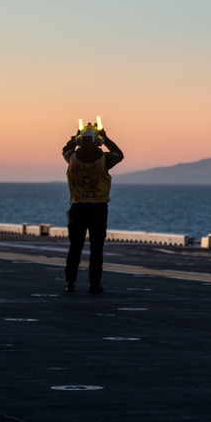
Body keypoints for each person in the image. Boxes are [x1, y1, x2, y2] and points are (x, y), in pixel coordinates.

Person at [62, 120, 124, 294]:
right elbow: (119, 154)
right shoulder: (105, 160)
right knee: (97, 248)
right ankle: (94, 285)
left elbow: (65, 150)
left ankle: (69, 282)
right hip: (98, 209)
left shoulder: (72, 159)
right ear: (98, 141)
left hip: (77, 208)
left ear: (80, 141)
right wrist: (106, 137)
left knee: (75, 247)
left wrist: (75, 138)